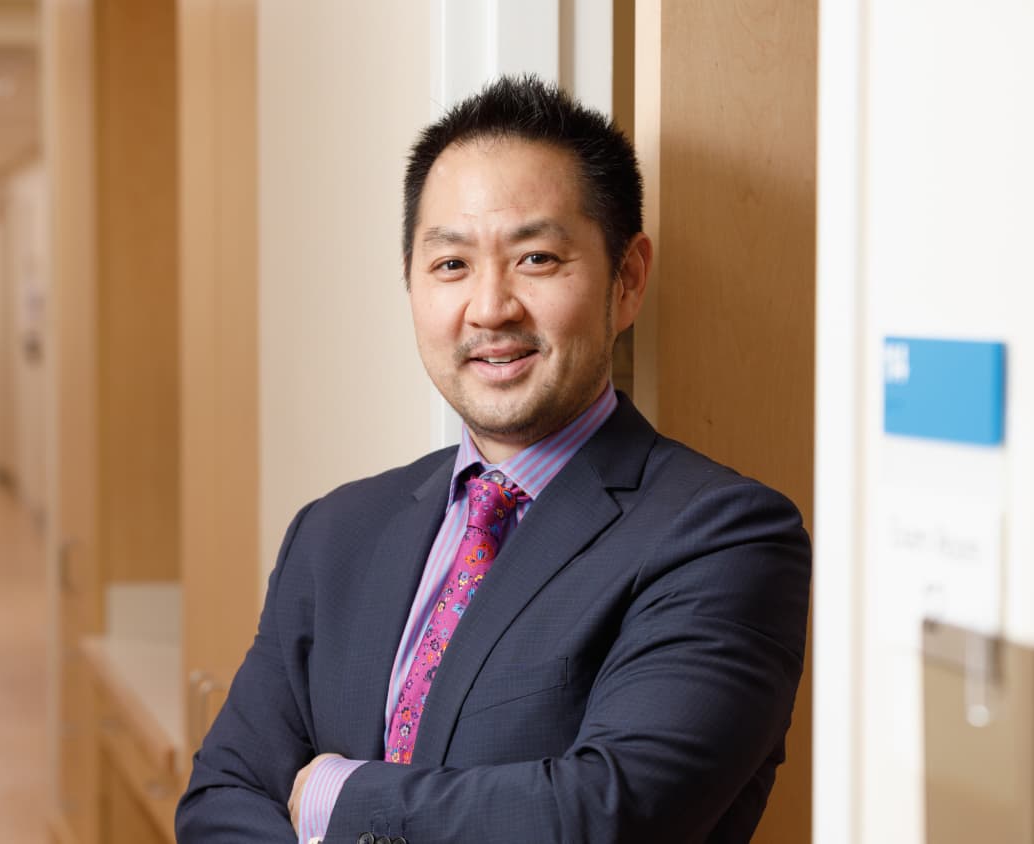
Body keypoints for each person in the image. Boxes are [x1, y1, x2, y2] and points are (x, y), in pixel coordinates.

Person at [174, 74, 811, 844]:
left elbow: (604, 816)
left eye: (537, 258)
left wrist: (333, 797)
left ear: (628, 278)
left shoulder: (722, 536)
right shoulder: (335, 532)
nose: (490, 308)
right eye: (450, 266)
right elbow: (220, 800)